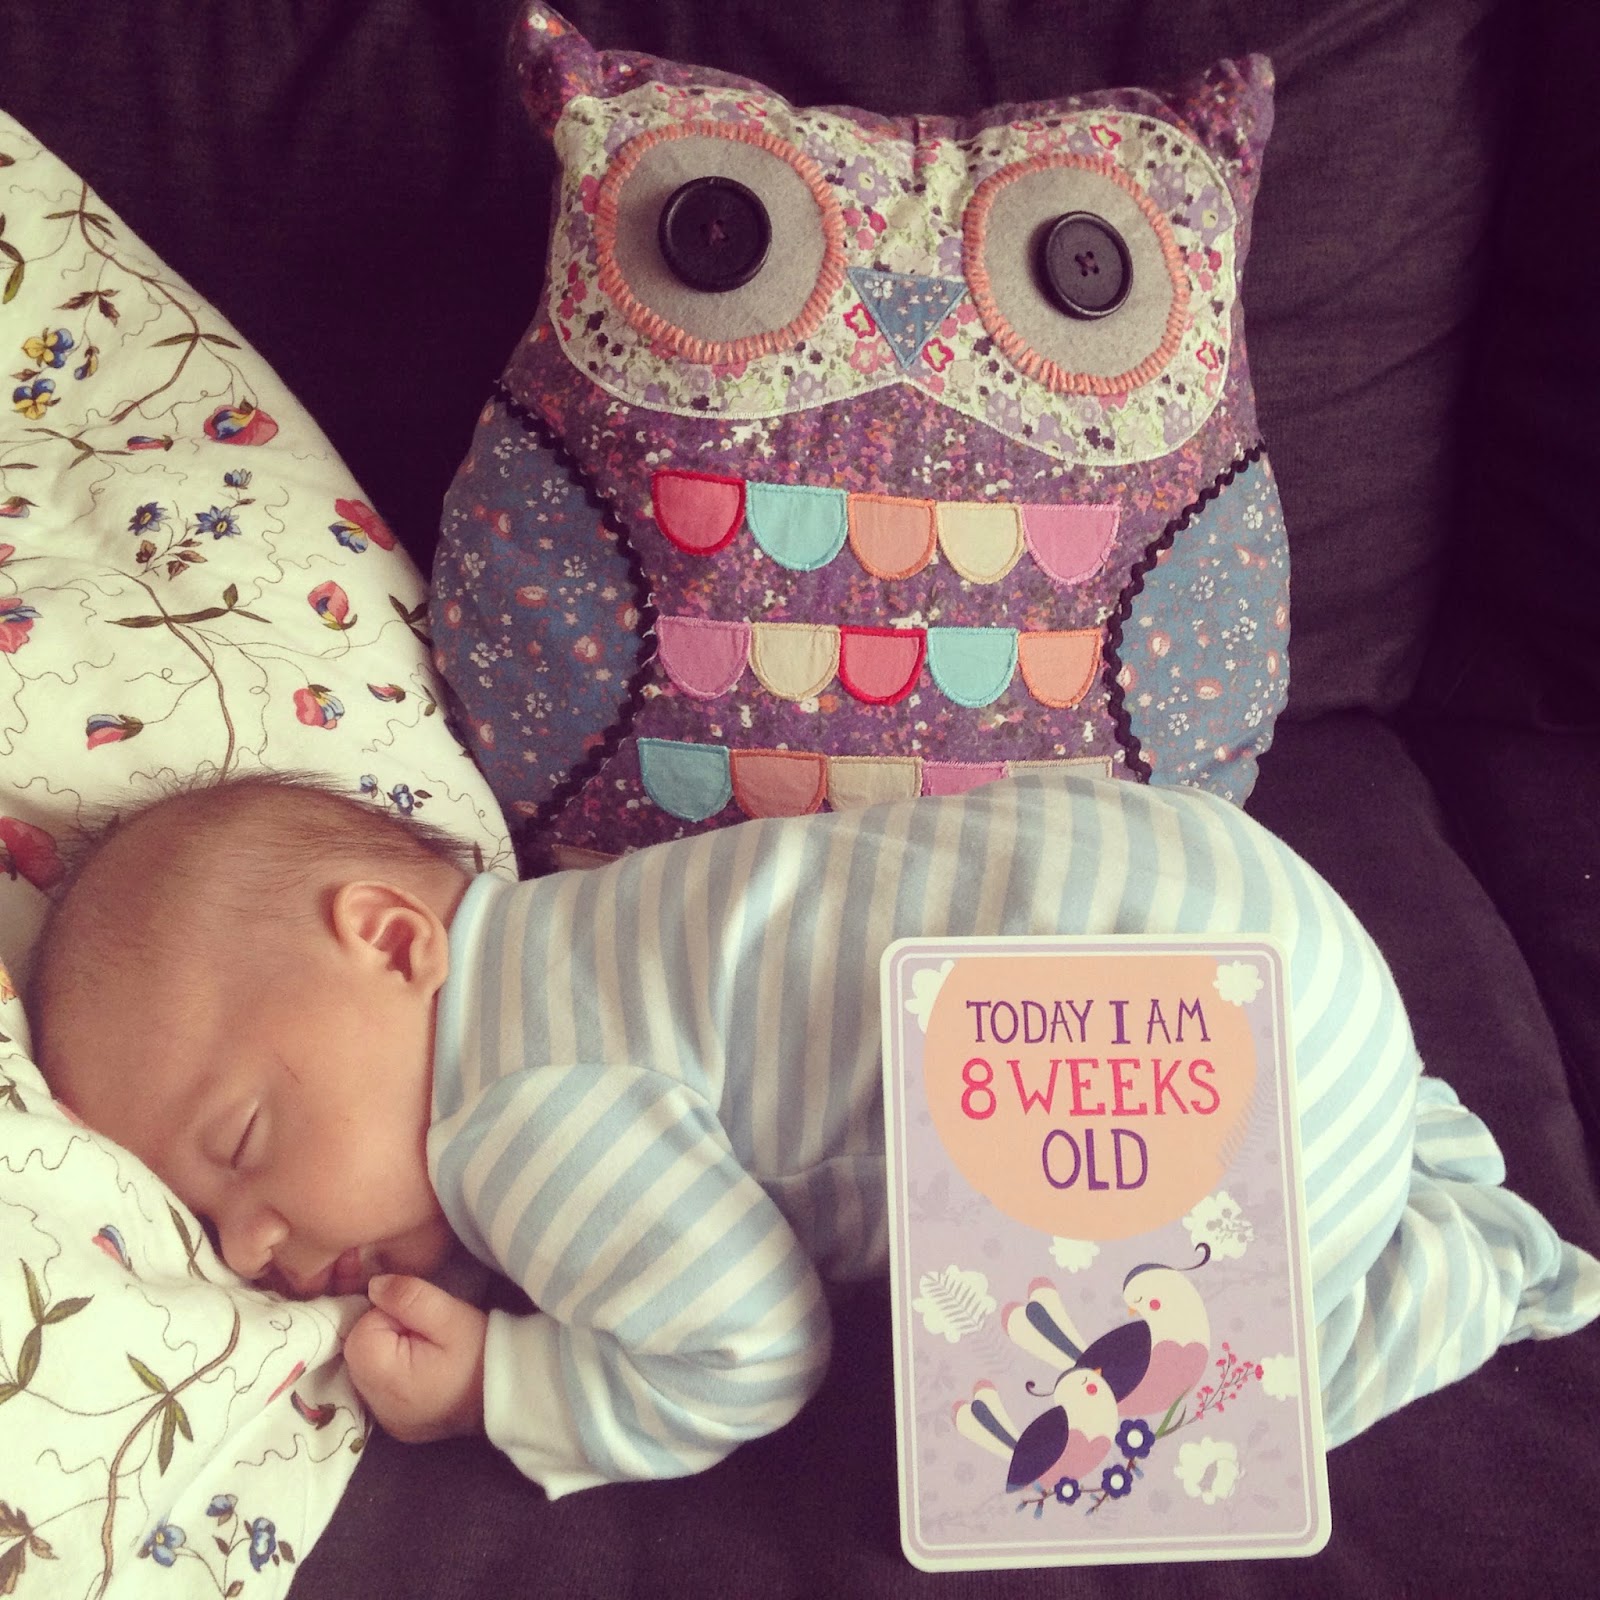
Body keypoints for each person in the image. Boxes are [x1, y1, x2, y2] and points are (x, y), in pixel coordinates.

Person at [27, 770, 1600, 1498]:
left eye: (245, 1140)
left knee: (1179, 1415)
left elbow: (754, 1352)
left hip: (1231, 1078)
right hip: (1262, 929)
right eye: (203, 1219)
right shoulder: (595, 924)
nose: (248, 1247)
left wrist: (508, 1385)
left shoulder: (514, 1118)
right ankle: (1398, 1138)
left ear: (390, 941)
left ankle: (1459, 1262)